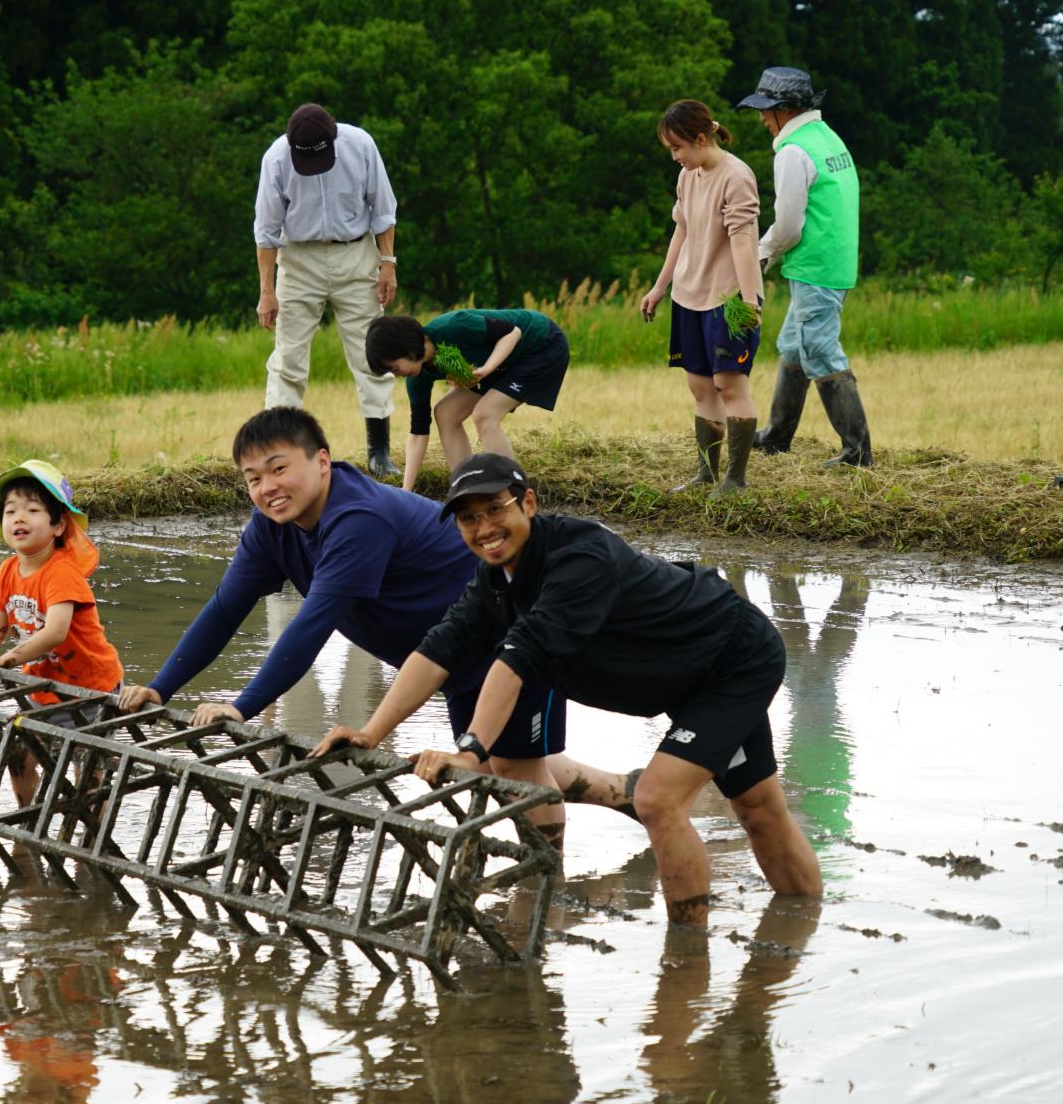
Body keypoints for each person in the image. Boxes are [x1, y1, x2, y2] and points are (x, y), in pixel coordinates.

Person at [316, 453, 822, 926]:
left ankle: (685, 964)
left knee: (657, 800)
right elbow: (439, 650)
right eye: (469, 519)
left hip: (731, 662)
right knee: (757, 806)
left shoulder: (580, 559)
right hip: (682, 680)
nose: (485, 529)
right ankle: (803, 932)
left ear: (528, 503)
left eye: (496, 509)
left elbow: (514, 662)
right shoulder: (495, 580)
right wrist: (370, 732)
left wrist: (470, 751)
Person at [117, 408, 635, 851]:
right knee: (507, 760)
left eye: (279, 469)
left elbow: (311, 625)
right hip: (443, 661)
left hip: (511, 640)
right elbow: (224, 609)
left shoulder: (358, 518)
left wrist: (241, 705)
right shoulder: (270, 531)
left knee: (515, 768)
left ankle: (544, 880)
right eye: (253, 478)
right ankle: (625, 793)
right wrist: (161, 686)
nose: (268, 488)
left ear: (322, 461)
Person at [0, 460, 124, 805]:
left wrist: (7, 659)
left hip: (91, 688)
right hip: (42, 687)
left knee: (89, 768)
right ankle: (27, 823)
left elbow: (55, 631)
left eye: (33, 510)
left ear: (57, 525)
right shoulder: (8, 570)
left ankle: (89, 834)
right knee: (18, 754)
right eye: (10, 511)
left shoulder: (62, 572)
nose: (19, 518)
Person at [735, 67, 871, 467]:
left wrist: (759, 254)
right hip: (835, 259)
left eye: (765, 110)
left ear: (785, 110)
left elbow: (790, 226)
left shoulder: (793, 151)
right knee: (795, 345)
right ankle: (777, 437)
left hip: (816, 264)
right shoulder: (826, 138)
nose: (761, 118)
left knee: (820, 350)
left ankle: (857, 453)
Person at [254, 103, 400, 476]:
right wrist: (266, 292)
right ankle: (280, 450)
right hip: (300, 261)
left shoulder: (361, 145)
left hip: (355, 254)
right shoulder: (276, 158)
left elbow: (383, 210)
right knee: (288, 358)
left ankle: (379, 452)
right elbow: (267, 231)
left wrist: (388, 263)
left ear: (333, 140)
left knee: (372, 352)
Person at [639, 100, 764, 497]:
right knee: (700, 387)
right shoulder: (687, 177)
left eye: (677, 148)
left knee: (729, 385)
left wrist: (751, 302)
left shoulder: (736, 177)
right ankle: (705, 474)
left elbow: (744, 244)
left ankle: (736, 480)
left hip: (726, 301)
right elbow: (682, 232)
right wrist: (660, 286)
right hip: (688, 296)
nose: (675, 157)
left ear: (700, 138)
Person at [363, 308, 572, 493]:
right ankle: (467, 489)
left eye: (393, 367)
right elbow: (418, 433)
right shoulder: (417, 378)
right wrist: (406, 492)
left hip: (539, 344)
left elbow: (512, 333)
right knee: (445, 413)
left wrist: (487, 369)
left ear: (406, 348)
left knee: (485, 413)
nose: (396, 375)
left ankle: (514, 493)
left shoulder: (454, 326)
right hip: (496, 364)